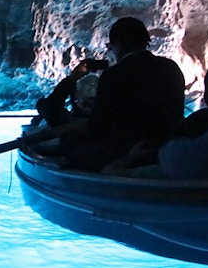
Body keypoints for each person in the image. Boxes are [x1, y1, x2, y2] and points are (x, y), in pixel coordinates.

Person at [66, 17, 186, 172]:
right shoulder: (171, 68)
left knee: (72, 150)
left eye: (111, 46)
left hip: (123, 151)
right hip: (165, 148)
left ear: (119, 45)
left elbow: (97, 126)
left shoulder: (113, 75)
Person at [35, 59, 107, 127]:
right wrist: (72, 79)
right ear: (76, 98)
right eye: (87, 84)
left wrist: (72, 78)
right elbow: (48, 108)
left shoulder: (112, 115)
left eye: (96, 85)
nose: (92, 87)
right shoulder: (69, 122)